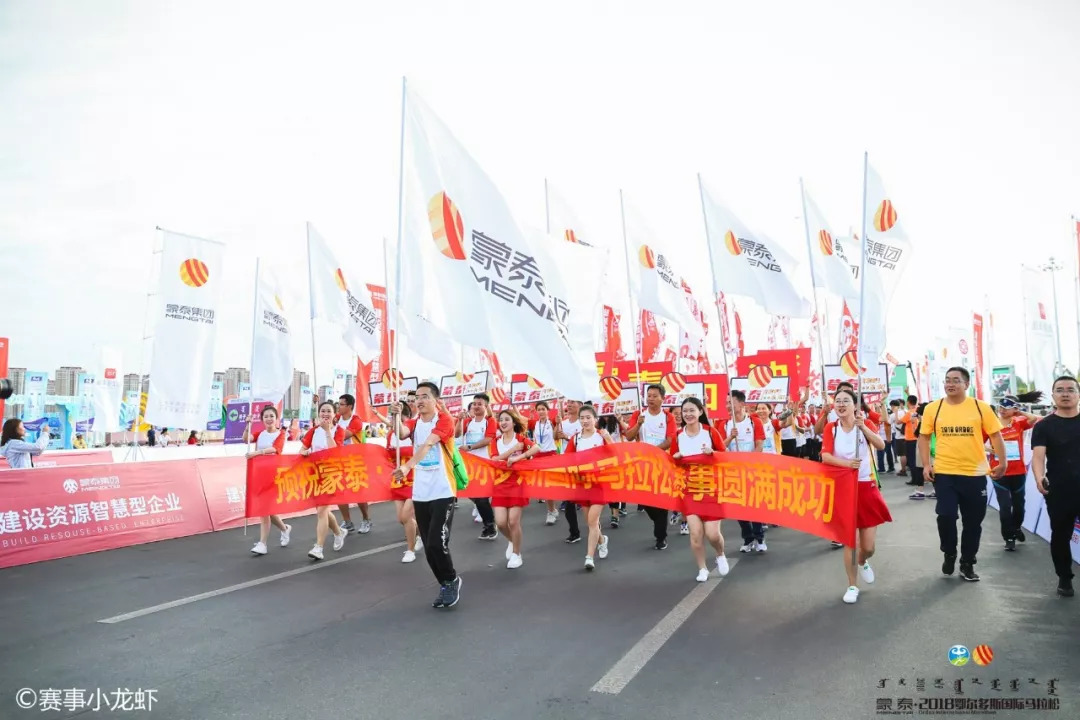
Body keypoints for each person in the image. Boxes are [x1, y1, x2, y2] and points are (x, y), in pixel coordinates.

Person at [919, 367, 1006, 582]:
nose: (950, 384)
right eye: (947, 380)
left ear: (966, 384)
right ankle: (949, 552)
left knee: (973, 523)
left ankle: (967, 562)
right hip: (945, 472)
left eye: (956, 380)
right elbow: (923, 437)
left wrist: (1002, 462)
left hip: (975, 474)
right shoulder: (933, 408)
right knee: (946, 516)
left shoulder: (981, 407)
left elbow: (995, 436)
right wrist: (926, 464)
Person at [390, 382, 463, 608]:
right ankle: (445, 584)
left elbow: (428, 445)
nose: (419, 401)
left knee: (436, 543)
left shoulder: (444, 420)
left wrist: (407, 466)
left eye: (424, 396)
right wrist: (394, 417)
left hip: (443, 490)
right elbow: (402, 432)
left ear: (435, 400)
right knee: (429, 548)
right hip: (421, 493)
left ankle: (451, 579)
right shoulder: (414, 422)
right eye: (416, 397)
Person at [820, 388, 892, 604]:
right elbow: (825, 457)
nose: (841, 405)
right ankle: (852, 585)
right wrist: (847, 465)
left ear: (855, 405)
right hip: (842, 488)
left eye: (846, 401)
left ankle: (862, 562)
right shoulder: (831, 428)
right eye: (838, 401)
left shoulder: (865, 423)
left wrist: (864, 428)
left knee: (868, 547)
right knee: (849, 541)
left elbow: (880, 445)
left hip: (865, 486)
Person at [670, 397, 730, 582]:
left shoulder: (711, 432)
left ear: (700, 412)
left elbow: (725, 457)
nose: (688, 414)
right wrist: (676, 458)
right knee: (696, 534)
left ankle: (720, 554)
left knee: (712, 534)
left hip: (711, 489)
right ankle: (702, 568)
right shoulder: (678, 436)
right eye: (684, 411)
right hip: (690, 490)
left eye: (691, 410)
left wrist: (713, 453)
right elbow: (672, 463)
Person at [1031, 376, 1080, 597]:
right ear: (1053, 396)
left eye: (1071, 389)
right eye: (1060, 390)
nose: (1066, 393)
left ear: (1078, 394)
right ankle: (1064, 577)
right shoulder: (1044, 426)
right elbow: (1038, 457)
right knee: (1061, 535)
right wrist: (1039, 477)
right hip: (1059, 490)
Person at [624, 384, 678, 550]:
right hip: (641, 464)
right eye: (649, 395)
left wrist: (652, 451)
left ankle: (660, 536)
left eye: (655, 396)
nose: (651, 399)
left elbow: (670, 440)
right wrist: (638, 425)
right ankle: (659, 522)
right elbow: (629, 436)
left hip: (661, 462)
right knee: (643, 497)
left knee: (661, 498)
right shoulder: (638, 415)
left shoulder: (668, 417)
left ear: (662, 398)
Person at [989, 392, 1043, 551]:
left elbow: (1035, 419)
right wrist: (991, 450)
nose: (1003, 410)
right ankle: (1009, 537)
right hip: (999, 472)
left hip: (1018, 472)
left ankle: (1017, 527)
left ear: (1014, 410)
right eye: (1001, 407)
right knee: (1005, 508)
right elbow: (977, 441)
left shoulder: (1018, 422)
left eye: (1007, 407)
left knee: (1019, 507)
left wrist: (1019, 412)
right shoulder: (992, 424)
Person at [490, 409, 540, 569]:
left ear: (513, 422)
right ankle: (512, 540)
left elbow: (536, 448)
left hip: (518, 484)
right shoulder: (495, 441)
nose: (503, 422)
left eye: (507, 419)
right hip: (500, 484)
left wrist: (519, 456)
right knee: (500, 523)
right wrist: (513, 450)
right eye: (501, 420)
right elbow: (495, 459)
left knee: (513, 521)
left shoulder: (521, 439)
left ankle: (517, 554)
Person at [564, 404, 611, 570]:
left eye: (588, 417)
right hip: (582, 485)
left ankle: (589, 557)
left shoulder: (601, 436)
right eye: (582, 418)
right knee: (590, 522)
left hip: (600, 484)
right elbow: (567, 460)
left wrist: (609, 438)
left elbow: (616, 454)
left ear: (595, 419)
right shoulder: (575, 439)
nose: (585, 421)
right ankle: (602, 540)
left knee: (592, 520)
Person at [300, 402, 348, 561]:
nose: (325, 414)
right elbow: (301, 450)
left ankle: (319, 547)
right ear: (319, 413)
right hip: (314, 474)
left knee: (321, 511)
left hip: (331, 474)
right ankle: (338, 532)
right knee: (323, 511)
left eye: (329, 411)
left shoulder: (339, 431)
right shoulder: (313, 431)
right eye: (323, 411)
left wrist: (328, 431)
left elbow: (335, 452)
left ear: (335, 414)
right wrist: (305, 452)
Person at [243, 406, 292, 555]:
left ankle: (262, 544)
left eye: (272, 416)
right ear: (262, 419)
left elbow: (275, 448)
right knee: (267, 509)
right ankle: (284, 529)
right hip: (259, 474)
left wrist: (257, 453)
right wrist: (247, 424)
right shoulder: (260, 433)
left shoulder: (281, 434)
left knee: (264, 509)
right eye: (266, 417)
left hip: (274, 475)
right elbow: (246, 439)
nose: (269, 419)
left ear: (276, 419)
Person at [726, 390, 767, 552]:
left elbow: (759, 445)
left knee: (754, 505)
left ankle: (759, 537)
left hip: (751, 471)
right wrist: (730, 437)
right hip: (732, 473)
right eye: (727, 403)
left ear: (742, 404)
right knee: (738, 507)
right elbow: (720, 447)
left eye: (731, 402)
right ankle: (748, 538)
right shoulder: (724, 424)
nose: (727, 406)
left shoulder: (754, 422)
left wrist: (748, 464)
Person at [457, 393, 498, 540]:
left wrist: (470, 446)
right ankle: (488, 517)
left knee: (481, 497)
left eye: (479, 404)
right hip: (469, 465)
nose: (476, 406)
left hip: (484, 465)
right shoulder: (467, 421)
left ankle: (490, 527)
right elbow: (457, 434)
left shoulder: (490, 421)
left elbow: (488, 440)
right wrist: (459, 420)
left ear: (486, 406)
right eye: (474, 404)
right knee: (466, 491)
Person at [387, 400, 423, 564]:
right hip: (398, 480)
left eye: (398, 415)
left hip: (415, 478)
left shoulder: (414, 432)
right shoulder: (390, 435)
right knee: (401, 519)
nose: (394, 419)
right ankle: (421, 533)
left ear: (407, 416)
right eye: (392, 415)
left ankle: (410, 550)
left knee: (406, 515)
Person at [334, 394, 372, 534]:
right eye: (338, 404)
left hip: (355, 462)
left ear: (349, 406)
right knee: (339, 492)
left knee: (358, 493)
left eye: (342, 404)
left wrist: (330, 431)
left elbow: (343, 436)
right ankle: (348, 522)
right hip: (338, 462)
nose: (339, 407)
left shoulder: (356, 420)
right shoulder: (336, 418)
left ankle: (366, 519)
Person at [528, 400, 560, 525]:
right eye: (539, 409)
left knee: (549, 485)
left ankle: (552, 511)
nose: (541, 411)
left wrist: (558, 423)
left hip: (550, 455)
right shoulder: (535, 424)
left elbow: (557, 435)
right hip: (538, 455)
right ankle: (552, 510)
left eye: (543, 409)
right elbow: (520, 419)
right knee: (542, 486)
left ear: (548, 410)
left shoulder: (552, 421)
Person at [888, 399, 908, 476]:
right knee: (908, 453)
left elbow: (888, 422)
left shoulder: (893, 415)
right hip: (909, 436)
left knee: (902, 454)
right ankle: (909, 468)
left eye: (891, 406)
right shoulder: (905, 411)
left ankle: (903, 470)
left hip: (899, 436)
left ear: (893, 406)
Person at [874, 403, 895, 474]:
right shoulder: (877, 416)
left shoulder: (886, 416)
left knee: (887, 453)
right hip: (880, 437)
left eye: (878, 407)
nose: (877, 409)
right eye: (876, 407)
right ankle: (882, 468)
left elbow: (888, 426)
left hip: (885, 438)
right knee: (880, 454)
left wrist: (889, 438)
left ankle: (890, 467)